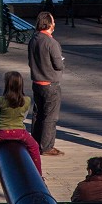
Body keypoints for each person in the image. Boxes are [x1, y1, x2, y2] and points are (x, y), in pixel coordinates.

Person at [0, 71, 43, 176]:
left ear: (7, 85)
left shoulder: (1, 100)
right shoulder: (27, 100)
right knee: (34, 147)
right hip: (20, 133)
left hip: (1, 132)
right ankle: (39, 175)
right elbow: (24, 117)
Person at [28, 11, 66, 157]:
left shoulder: (34, 39)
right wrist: (62, 61)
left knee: (38, 113)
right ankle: (47, 146)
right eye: (53, 21)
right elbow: (58, 64)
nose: (54, 24)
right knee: (51, 116)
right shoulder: (51, 42)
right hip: (50, 83)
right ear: (49, 24)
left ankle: (36, 142)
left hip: (36, 82)